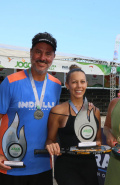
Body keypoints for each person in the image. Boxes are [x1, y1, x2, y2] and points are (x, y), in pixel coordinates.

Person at [0, 32, 62, 185]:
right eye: (38, 51)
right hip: (10, 163)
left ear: (53, 57)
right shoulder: (10, 82)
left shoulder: (56, 85)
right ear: (30, 52)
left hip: (43, 166)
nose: (42, 57)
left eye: (48, 53)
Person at [45, 65, 101, 185]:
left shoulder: (95, 111)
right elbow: (50, 140)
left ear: (86, 84)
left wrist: (98, 144)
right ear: (67, 84)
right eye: (74, 82)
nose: (79, 86)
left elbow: (99, 141)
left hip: (89, 167)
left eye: (82, 82)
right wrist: (51, 146)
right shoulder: (57, 111)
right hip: (67, 168)